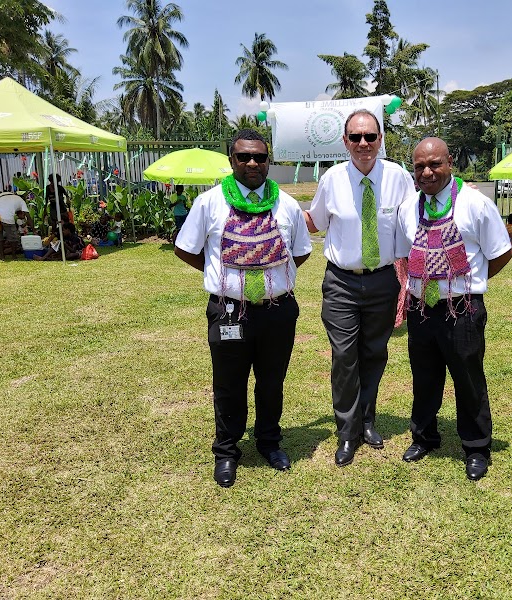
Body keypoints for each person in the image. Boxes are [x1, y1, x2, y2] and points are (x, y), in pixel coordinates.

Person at [174, 129, 312, 487]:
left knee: (272, 381)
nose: (252, 163)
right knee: (228, 382)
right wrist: (220, 274)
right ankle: (226, 451)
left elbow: (301, 251)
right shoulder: (210, 202)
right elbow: (186, 248)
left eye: (260, 157)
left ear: (269, 161)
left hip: (276, 311)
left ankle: (269, 442)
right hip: (228, 311)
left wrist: (271, 275)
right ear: (231, 160)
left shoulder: (287, 205)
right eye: (244, 157)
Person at [395, 137, 512, 480]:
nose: (427, 172)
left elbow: (501, 251)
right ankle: (424, 436)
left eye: (435, 164)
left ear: (450, 163)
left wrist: (469, 285)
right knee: (424, 377)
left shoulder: (475, 204)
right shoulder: (407, 208)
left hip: (462, 309)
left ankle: (476, 447)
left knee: (467, 377)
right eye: (420, 166)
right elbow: (403, 254)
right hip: (421, 309)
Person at [304, 109, 414, 467]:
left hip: (383, 280)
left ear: (381, 138)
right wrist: (273, 206)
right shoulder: (332, 179)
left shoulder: (398, 176)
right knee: (344, 358)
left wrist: (461, 189)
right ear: (345, 142)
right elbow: (314, 222)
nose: (363, 144)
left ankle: (368, 421)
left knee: (374, 354)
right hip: (341, 282)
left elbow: (422, 211)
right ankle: (347, 432)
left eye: (370, 136)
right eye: (356, 137)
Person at [0, 191, 30, 260]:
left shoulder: (4, 194)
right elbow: (28, 217)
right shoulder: (21, 201)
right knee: (13, 237)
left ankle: (2, 256)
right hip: (7, 217)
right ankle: (14, 256)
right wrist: (34, 230)